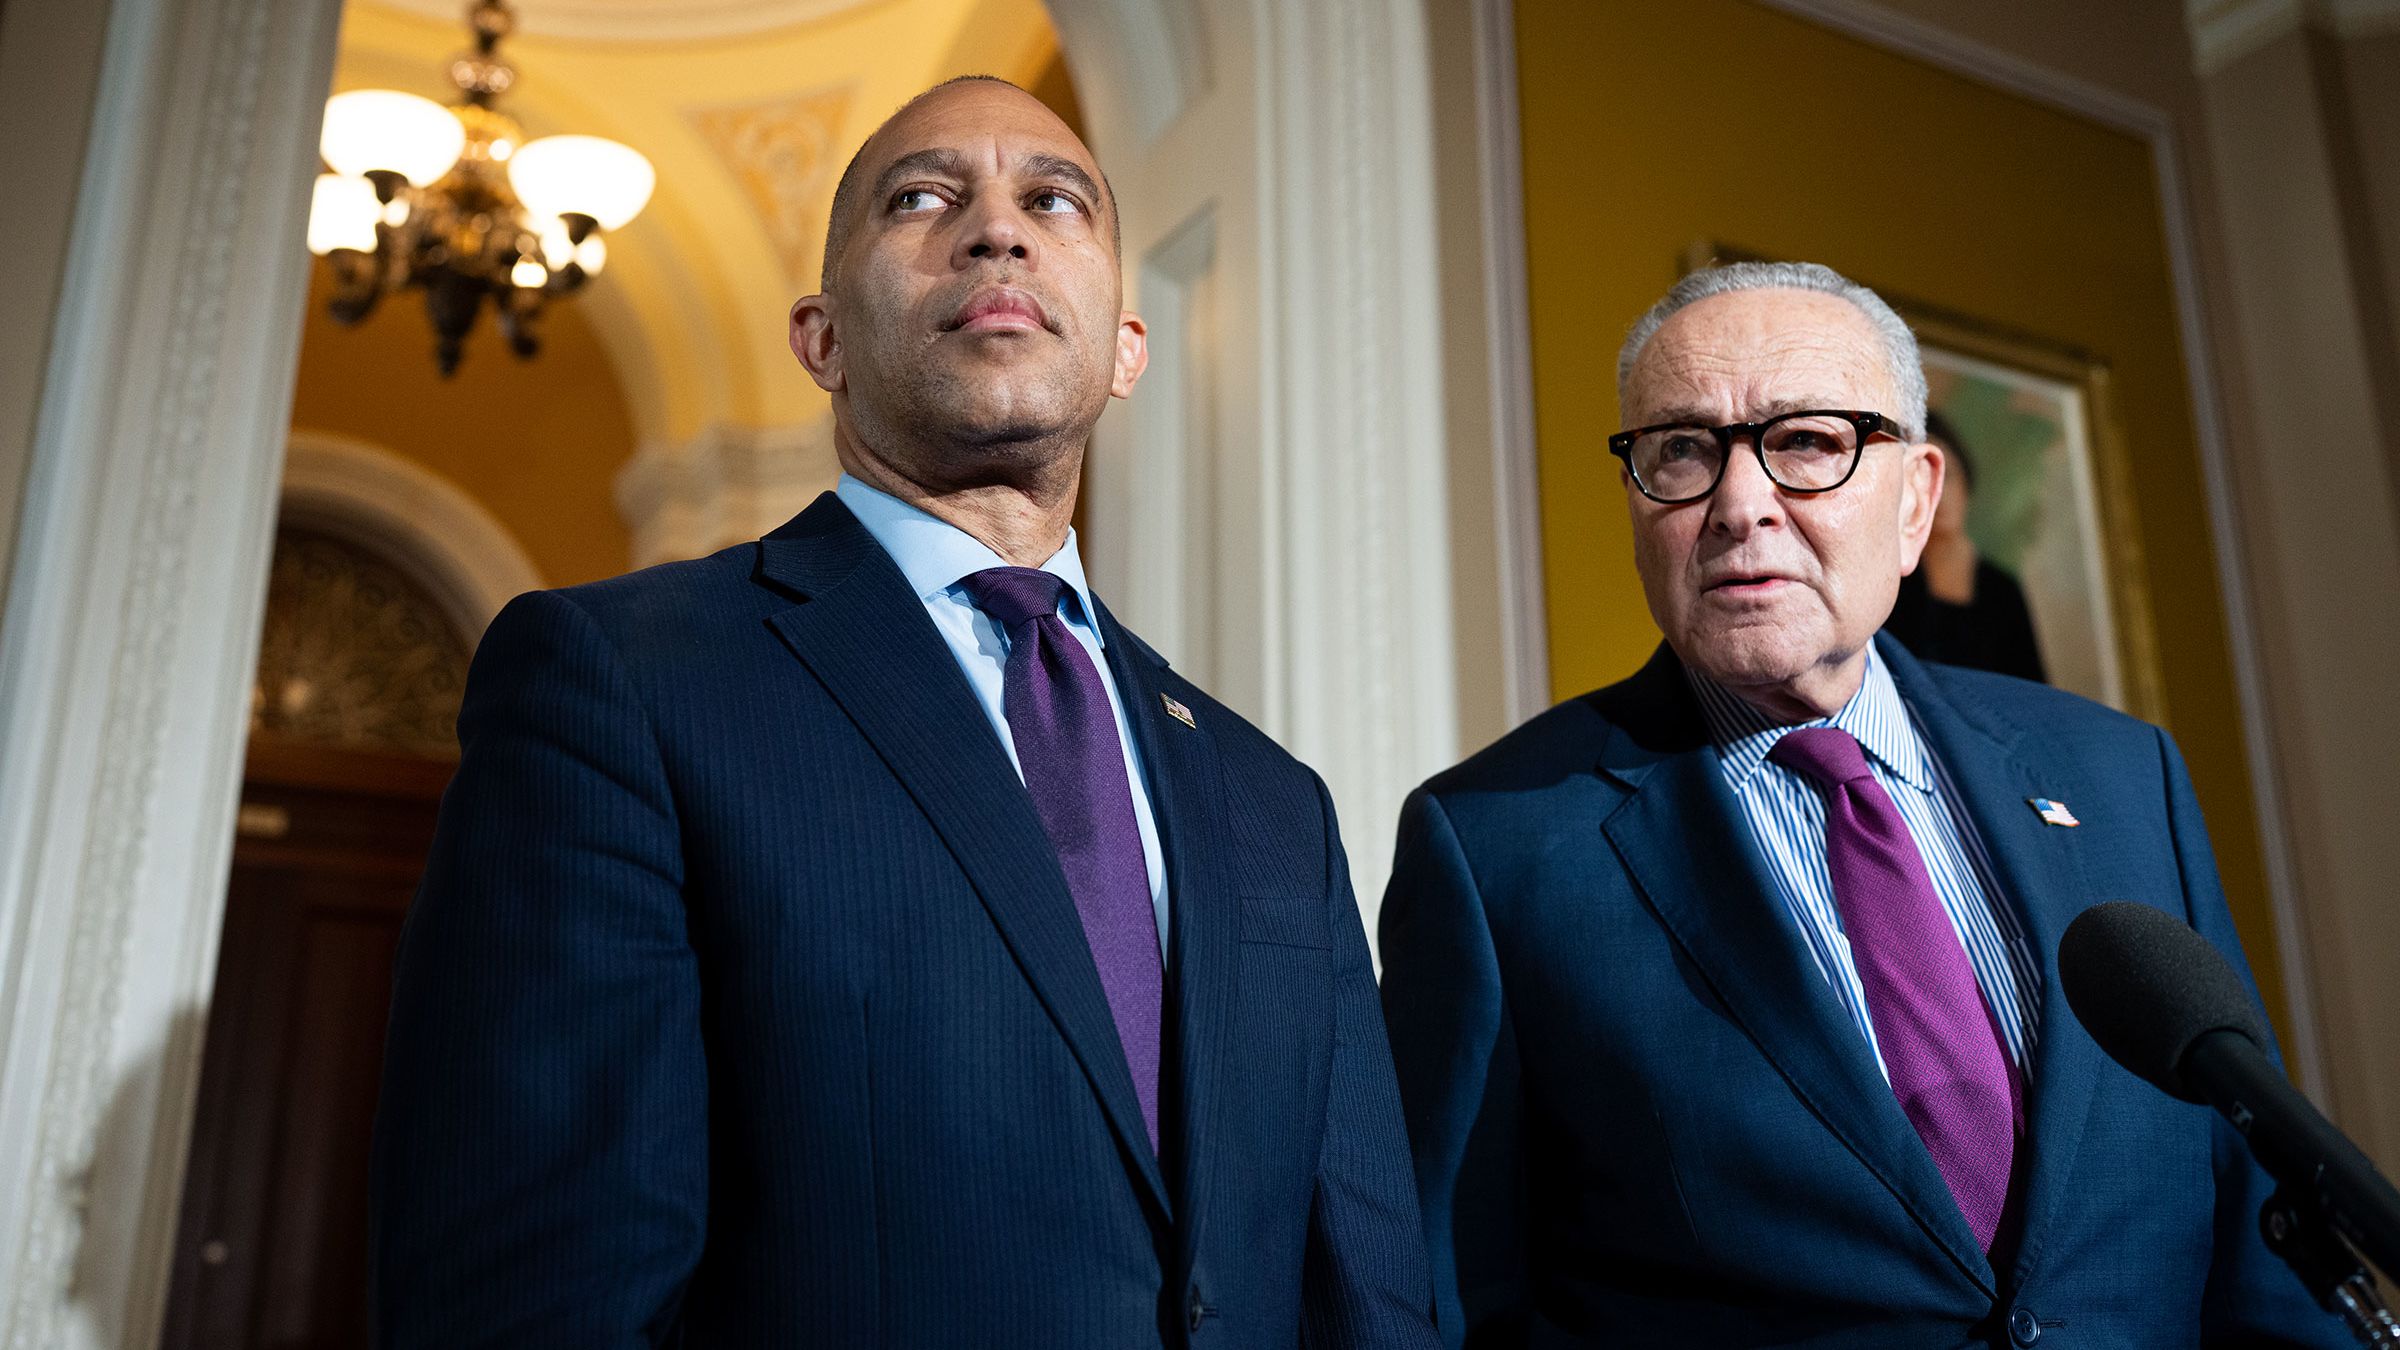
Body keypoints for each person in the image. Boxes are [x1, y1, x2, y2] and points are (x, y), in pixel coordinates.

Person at [371, 76, 1438, 1348]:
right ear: (820, 338)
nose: (998, 230)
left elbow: (1372, 1292)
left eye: (1055, 202)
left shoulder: (1276, 798)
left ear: (1125, 349)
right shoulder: (620, 682)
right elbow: (529, 1290)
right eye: (924, 198)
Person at [1378, 261, 2341, 1347]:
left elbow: (2261, 1232)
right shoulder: (1497, 845)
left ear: (1918, 498)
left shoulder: (2123, 778)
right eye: (1682, 451)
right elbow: (1447, 1302)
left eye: (1806, 442)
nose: (1741, 507)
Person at [1883, 409, 2047, 683]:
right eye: (1921, 479)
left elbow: (2033, 689)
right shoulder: (1893, 582)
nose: (1939, 494)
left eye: (1946, 477)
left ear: (1966, 483)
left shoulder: (2002, 590)